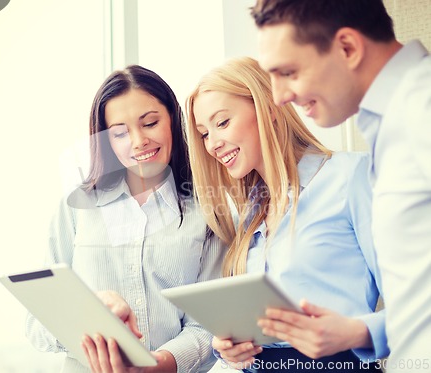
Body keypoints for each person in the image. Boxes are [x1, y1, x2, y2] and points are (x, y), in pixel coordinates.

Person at [251, 1, 431, 371]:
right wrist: (360, 332)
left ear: (347, 47)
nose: (279, 95)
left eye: (288, 72)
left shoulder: (421, 109)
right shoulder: (391, 124)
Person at [185, 57, 388, 373]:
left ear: (268, 108)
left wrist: (356, 332)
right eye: (204, 133)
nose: (212, 144)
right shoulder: (249, 215)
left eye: (222, 123)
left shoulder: (352, 177)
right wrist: (228, 349)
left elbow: (418, 307)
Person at [26, 65, 225, 373]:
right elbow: (37, 323)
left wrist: (159, 365)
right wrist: (91, 312)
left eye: (150, 123)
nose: (138, 141)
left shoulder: (208, 212)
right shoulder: (76, 208)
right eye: (119, 133)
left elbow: (207, 326)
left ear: (173, 120)